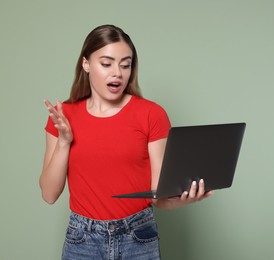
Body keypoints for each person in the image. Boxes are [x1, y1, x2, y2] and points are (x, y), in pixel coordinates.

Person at [39, 24, 212, 260]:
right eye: (106, 63)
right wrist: (64, 141)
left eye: (125, 64)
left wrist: (185, 199)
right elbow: (49, 194)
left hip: (138, 237)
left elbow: (159, 197)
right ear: (86, 64)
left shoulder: (152, 114)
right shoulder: (64, 116)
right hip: (82, 241)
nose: (117, 73)